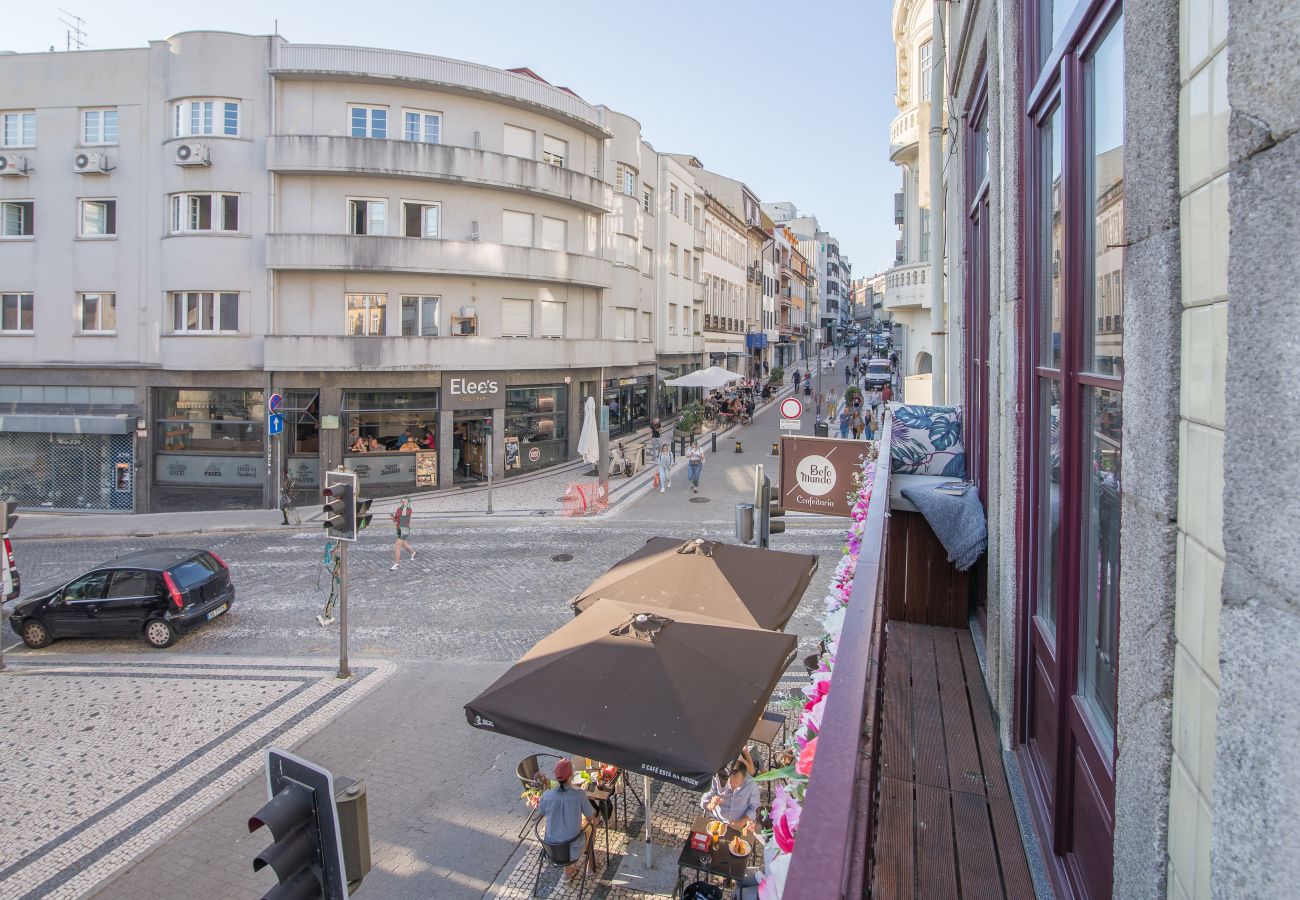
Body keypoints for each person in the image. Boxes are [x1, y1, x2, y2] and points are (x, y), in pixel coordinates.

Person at [537, 759, 596, 880]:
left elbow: (541, 811)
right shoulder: (579, 794)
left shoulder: (547, 795)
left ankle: (568, 872)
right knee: (591, 824)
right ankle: (591, 864)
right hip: (572, 851)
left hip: (551, 849)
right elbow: (591, 816)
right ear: (571, 776)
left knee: (561, 829)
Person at [701, 750, 760, 834]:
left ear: (744, 779)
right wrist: (711, 805)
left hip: (739, 823)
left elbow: (755, 807)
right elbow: (704, 802)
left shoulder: (751, 784)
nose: (732, 786)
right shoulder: (717, 777)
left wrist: (741, 823)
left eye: (736, 783)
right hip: (716, 820)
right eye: (730, 781)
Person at [390, 498, 415, 571]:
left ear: (408, 502)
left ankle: (396, 564)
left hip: (405, 530)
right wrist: (392, 518)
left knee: (397, 546)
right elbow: (395, 520)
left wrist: (405, 506)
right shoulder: (399, 509)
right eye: (402, 501)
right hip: (399, 529)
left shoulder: (409, 509)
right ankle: (413, 552)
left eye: (405, 501)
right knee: (404, 544)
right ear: (400, 502)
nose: (403, 502)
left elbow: (404, 514)